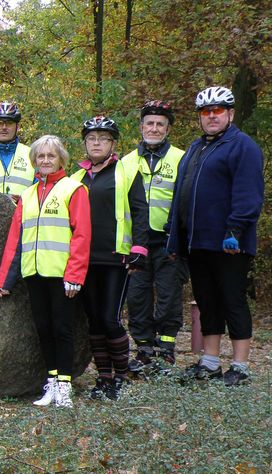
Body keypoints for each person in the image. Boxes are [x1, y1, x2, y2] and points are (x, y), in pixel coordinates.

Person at [167, 86, 264, 386]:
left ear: (230, 114)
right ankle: (209, 363)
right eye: (206, 112)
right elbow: (180, 196)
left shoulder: (243, 147)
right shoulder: (196, 148)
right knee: (207, 300)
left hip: (229, 242)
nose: (211, 116)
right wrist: (175, 237)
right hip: (198, 242)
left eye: (217, 111)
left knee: (232, 299)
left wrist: (234, 229)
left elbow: (248, 194)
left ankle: (240, 366)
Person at [0, 135, 91, 408]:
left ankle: (64, 386)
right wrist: (5, 279)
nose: (46, 161)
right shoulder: (27, 195)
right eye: (41, 156)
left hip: (62, 274)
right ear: (34, 161)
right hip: (34, 273)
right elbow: (15, 239)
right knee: (44, 329)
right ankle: (51, 383)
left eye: (51, 156)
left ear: (61, 159)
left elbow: (82, 235)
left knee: (63, 329)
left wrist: (75, 275)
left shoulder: (74, 189)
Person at [70, 116, 149, 400]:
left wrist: (139, 249)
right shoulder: (76, 177)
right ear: (85, 143)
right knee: (93, 320)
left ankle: (121, 375)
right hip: (84, 260)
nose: (97, 143)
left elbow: (140, 211)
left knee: (110, 318)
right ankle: (103, 377)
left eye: (103, 138)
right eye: (92, 138)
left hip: (116, 258)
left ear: (113, 143)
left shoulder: (127, 171)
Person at [121, 101, 186, 372]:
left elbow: (187, 199)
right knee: (137, 296)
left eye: (160, 124)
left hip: (168, 240)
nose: (155, 128)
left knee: (169, 295)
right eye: (150, 123)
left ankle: (166, 349)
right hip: (138, 242)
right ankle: (144, 348)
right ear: (141, 126)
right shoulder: (126, 161)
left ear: (168, 128)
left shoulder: (182, 158)